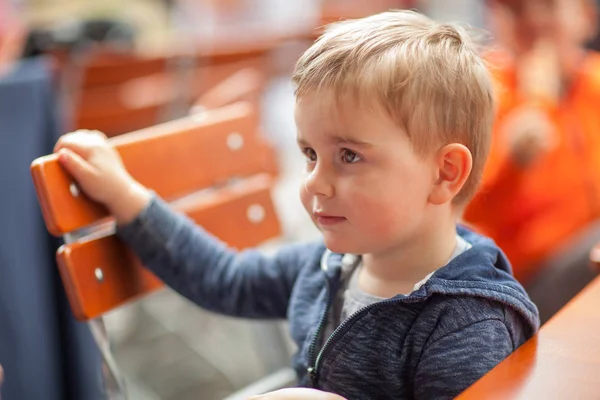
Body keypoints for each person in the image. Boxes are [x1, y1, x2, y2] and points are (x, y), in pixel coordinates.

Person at [53, 10, 538, 399]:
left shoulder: (468, 324)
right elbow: (227, 279)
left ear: (444, 173)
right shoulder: (332, 263)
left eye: (348, 156)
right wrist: (129, 199)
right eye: (309, 153)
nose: (315, 183)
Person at [463, 0, 600, 322]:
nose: (534, 20)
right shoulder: (481, 89)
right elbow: (464, 208)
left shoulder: (594, 80)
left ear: (585, 17)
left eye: (549, 6)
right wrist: (515, 159)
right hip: (519, 281)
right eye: (517, 7)